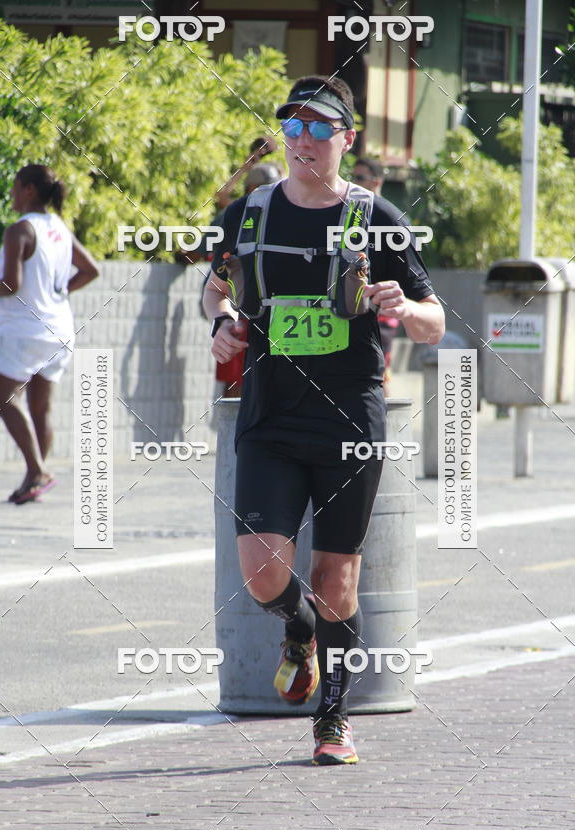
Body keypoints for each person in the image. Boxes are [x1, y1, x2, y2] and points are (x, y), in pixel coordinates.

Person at [203, 75, 444, 765]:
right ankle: (299, 632)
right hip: (271, 415)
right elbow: (215, 288)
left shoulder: (378, 218)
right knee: (262, 573)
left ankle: (332, 720)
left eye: (320, 128)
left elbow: (433, 322)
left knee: (338, 574)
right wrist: (220, 322)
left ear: (348, 138)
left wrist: (402, 308)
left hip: (349, 421)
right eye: (295, 127)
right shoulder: (249, 216)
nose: (305, 140)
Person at [0, 164, 99, 504]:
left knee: (1, 398)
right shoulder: (58, 227)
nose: (12, 193)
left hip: (25, 330)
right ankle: (33, 483)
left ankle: (38, 471)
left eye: (16, 186)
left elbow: (11, 283)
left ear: (29, 189)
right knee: (40, 408)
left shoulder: (19, 230)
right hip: (59, 328)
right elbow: (91, 270)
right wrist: (58, 292)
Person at [215, 162, 280, 398]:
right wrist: (249, 162)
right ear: (251, 188)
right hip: (238, 310)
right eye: (262, 188)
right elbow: (221, 196)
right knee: (235, 384)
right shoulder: (236, 215)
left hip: (273, 313)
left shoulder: (285, 214)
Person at [352, 156, 398, 396]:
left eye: (359, 177)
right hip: (353, 305)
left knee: (380, 371)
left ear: (376, 181)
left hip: (381, 307)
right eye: (352, 176)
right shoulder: (350, 212)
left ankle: (385, 423)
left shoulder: (387, 217)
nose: (353, 182)